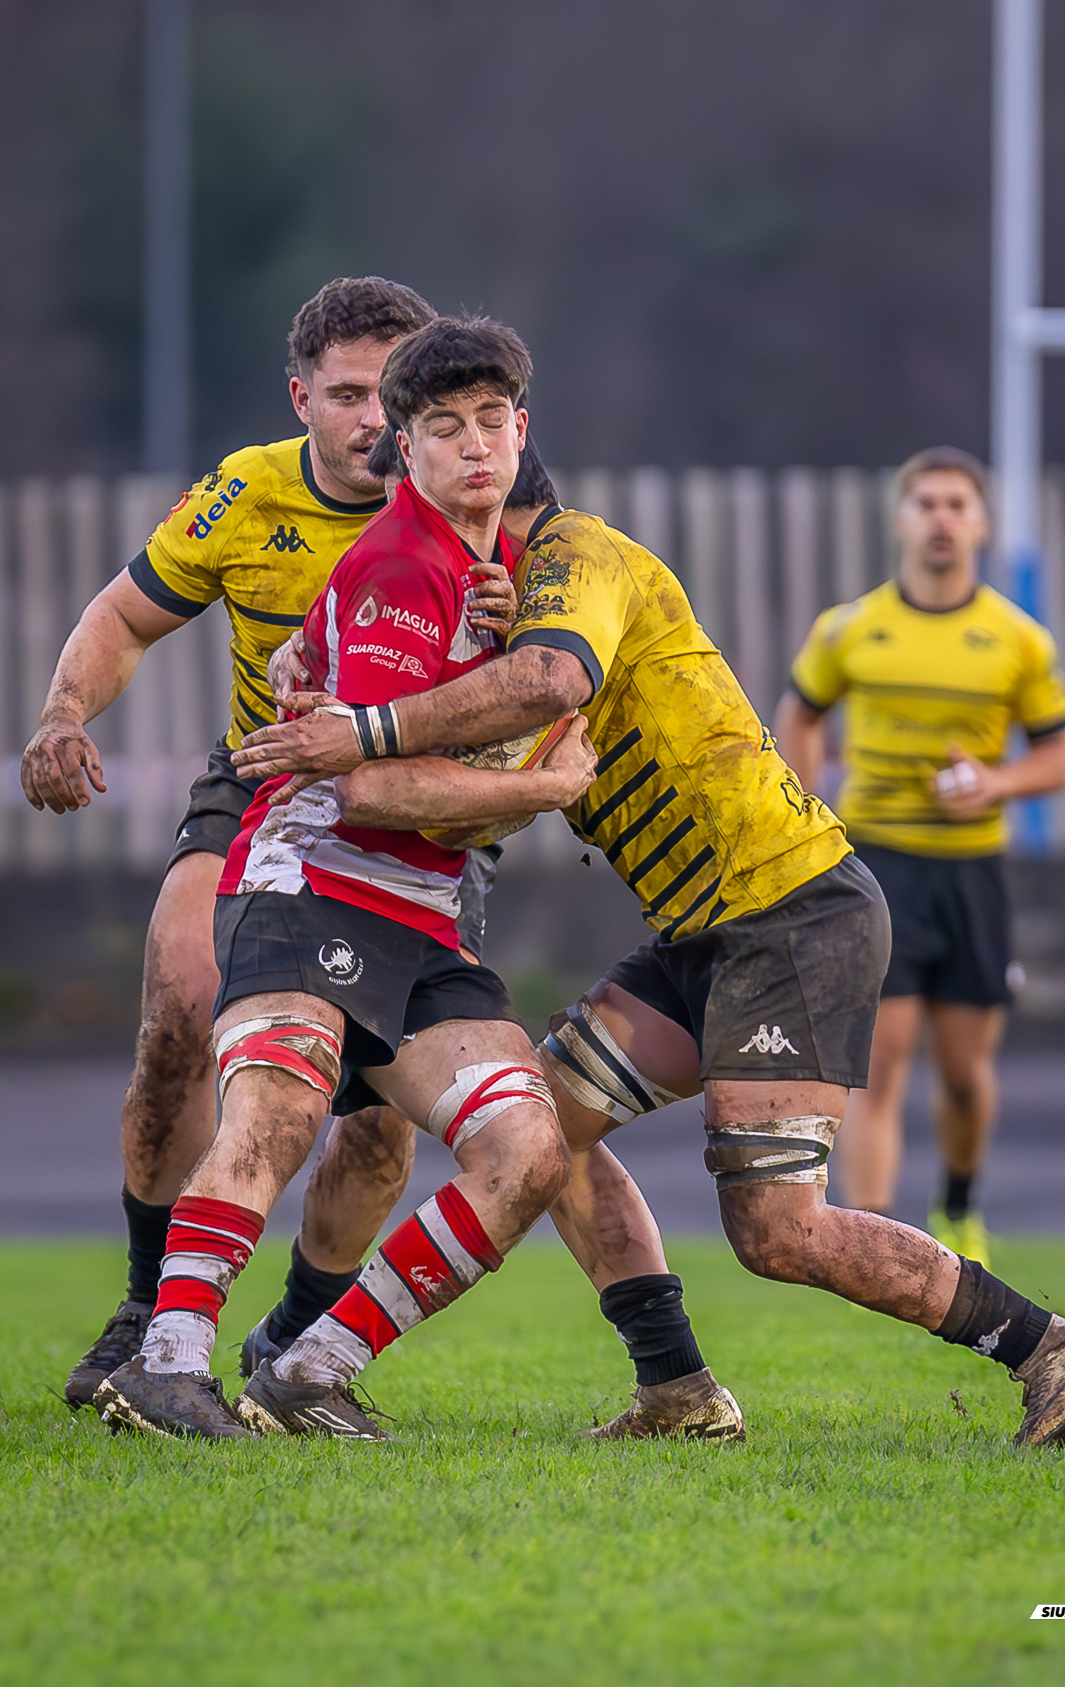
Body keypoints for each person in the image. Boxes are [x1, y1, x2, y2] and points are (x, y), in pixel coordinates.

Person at [232, 413, 1065, 1451]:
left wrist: (366, 733)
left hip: (788, 915)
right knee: (537, 1136)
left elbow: (546, 686)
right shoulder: (506, 608)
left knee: (775, 1231)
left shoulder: (577, 553)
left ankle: (1050, 1342)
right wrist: (326, 686)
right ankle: (662, 1390)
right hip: (703, 930)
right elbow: (466, 777)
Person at [95, 317, 742, 1445]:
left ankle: (309, 1367)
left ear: (522, 428)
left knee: (528, 1148)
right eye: (443, 428)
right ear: (406, 446)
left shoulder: (490, 571)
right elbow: (370, 792)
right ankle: (165, 1360)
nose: (475, 446)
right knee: (284, 1104)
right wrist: (544, 790)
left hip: (420, 917)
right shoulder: (402, 565)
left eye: (492, 421)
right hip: (316, 886)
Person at [21, 277, 515, 1407]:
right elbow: (123, 615)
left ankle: (288, 1339)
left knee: (380, 1122)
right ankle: (149, 1312)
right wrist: (60, 715)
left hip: (419, 819)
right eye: (347, 396)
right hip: (263, 782)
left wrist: (510, 624)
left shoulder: (495, 506)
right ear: (300, 398)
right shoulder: (243, 495)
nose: (374, 423)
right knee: (178, 1008)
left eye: (393, 396)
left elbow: (559, 664)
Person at [773, 448, 1065, 1265]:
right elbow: (797, 717)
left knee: (966, 1072)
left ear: (978, 524)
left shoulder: (1017, 640)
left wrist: (996, 782)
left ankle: (959, 1207)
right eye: (926, 504)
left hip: (972, 873)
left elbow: (1060, 757)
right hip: (881, 868)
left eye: (956, 505)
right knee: (882, 1056)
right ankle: (873, 1234)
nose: (941, 519)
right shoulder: (851, 628)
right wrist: (808, 812)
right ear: (902, 519)